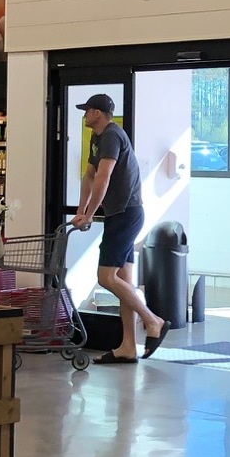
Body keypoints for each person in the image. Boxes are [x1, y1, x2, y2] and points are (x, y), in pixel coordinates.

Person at [71, 93, 168, 364]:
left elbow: (104, 176)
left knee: (105, 277)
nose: (84, 114)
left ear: (98, 113)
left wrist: (90, 214)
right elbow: (89, 175)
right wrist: (81, 211)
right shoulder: (97, 137)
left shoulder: (112, 136)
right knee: (124, 281)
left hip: (126, 214)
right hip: (119, 214)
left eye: (88, 110)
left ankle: (153, 321)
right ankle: (128, 345)